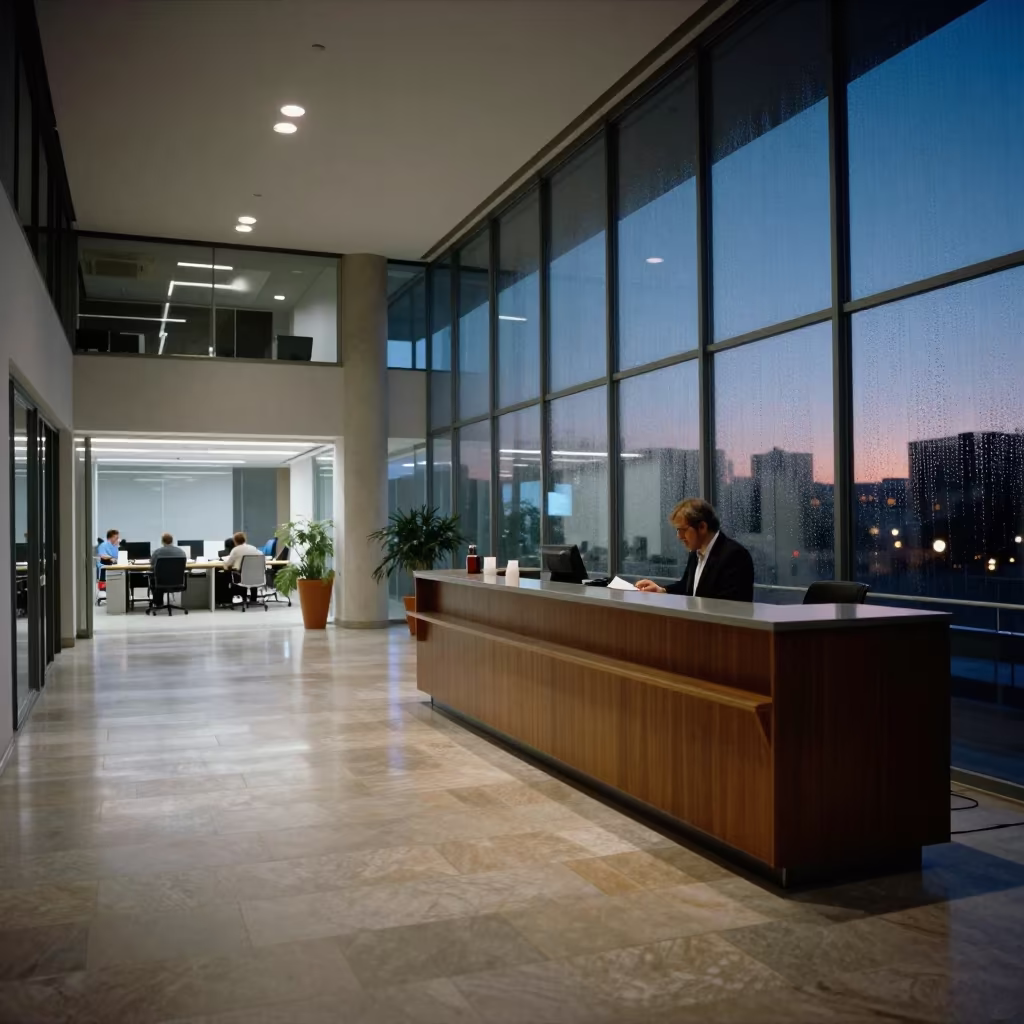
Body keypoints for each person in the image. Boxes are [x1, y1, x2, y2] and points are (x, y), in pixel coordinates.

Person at [635, 498, 754, 603]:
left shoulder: (735, 555)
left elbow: (730, 604)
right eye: (677, 530)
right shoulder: (695, 552)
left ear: (702, 527)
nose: (679, 536)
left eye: (683, 530)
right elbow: (687, 587)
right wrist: (662, 590)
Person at [222, 530, 266, 605]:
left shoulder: (235, 550)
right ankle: (253, 599)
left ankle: (232, 598)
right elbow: (262, 557)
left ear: (235, 541)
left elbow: (228, 564)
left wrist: (224, 565)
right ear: (245, 540)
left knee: (227, 574)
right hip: (258, 577)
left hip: (243, 578)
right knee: (250, 573)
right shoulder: (253, 548)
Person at [149, 532, 187, 608]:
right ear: (172, 541)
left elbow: (152, 564)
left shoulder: (157, 552)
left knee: (153, 577)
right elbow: (184, 565)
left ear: (162, 541)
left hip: (160, 583)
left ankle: (158, 603)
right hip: (177, 583)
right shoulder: (181, 552)